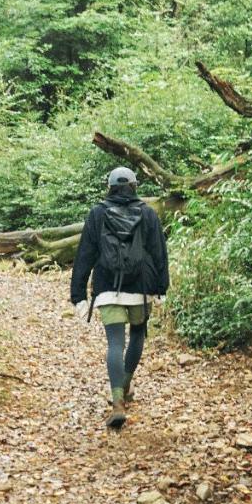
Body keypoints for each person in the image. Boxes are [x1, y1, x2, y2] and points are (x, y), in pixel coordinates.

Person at [70, 167, 170, 429]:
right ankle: (125, 386)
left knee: (115, 343)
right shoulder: (148, 213)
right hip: (141, 288)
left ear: (110, 187)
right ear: (134, 186)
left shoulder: (97, 214)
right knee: (137, 334)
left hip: (107, 288)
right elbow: (159, 252)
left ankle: (117, 402)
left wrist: (78, 294)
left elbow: (85, 254)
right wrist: (161, 288)